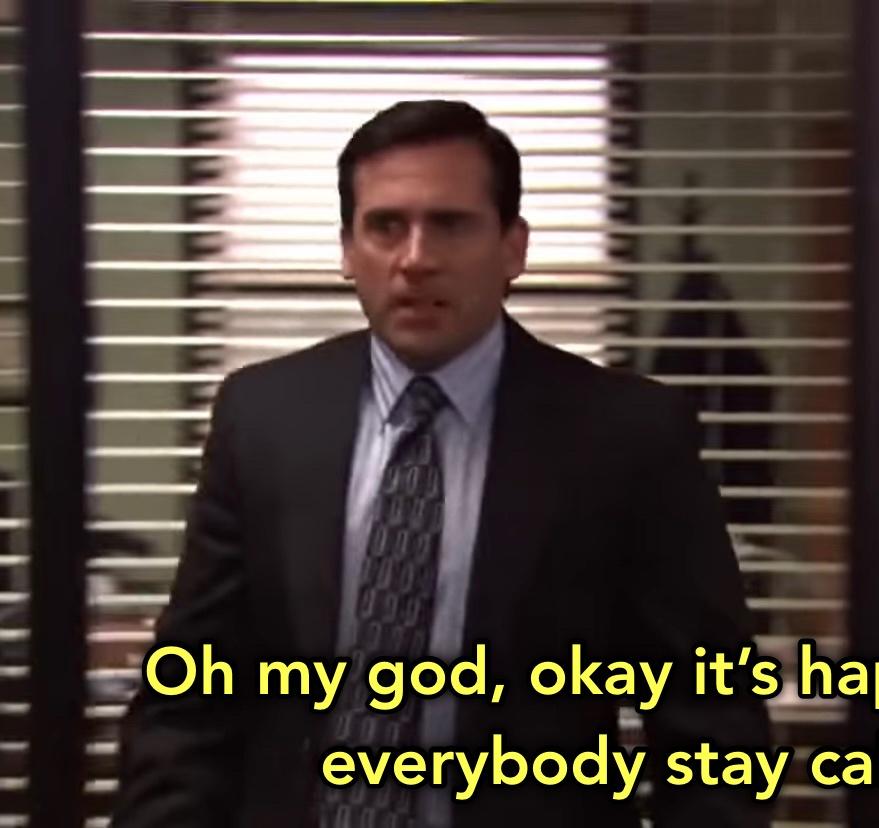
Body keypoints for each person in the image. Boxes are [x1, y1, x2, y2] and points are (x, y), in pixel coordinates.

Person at [111, 100, 771, 828]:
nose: (416, 258)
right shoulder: (264, 417)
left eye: (451, 225)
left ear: (513, 248)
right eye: (385, 226)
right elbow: (188, 696)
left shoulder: (626, 436)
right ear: (347, 250)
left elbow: (711, 717)